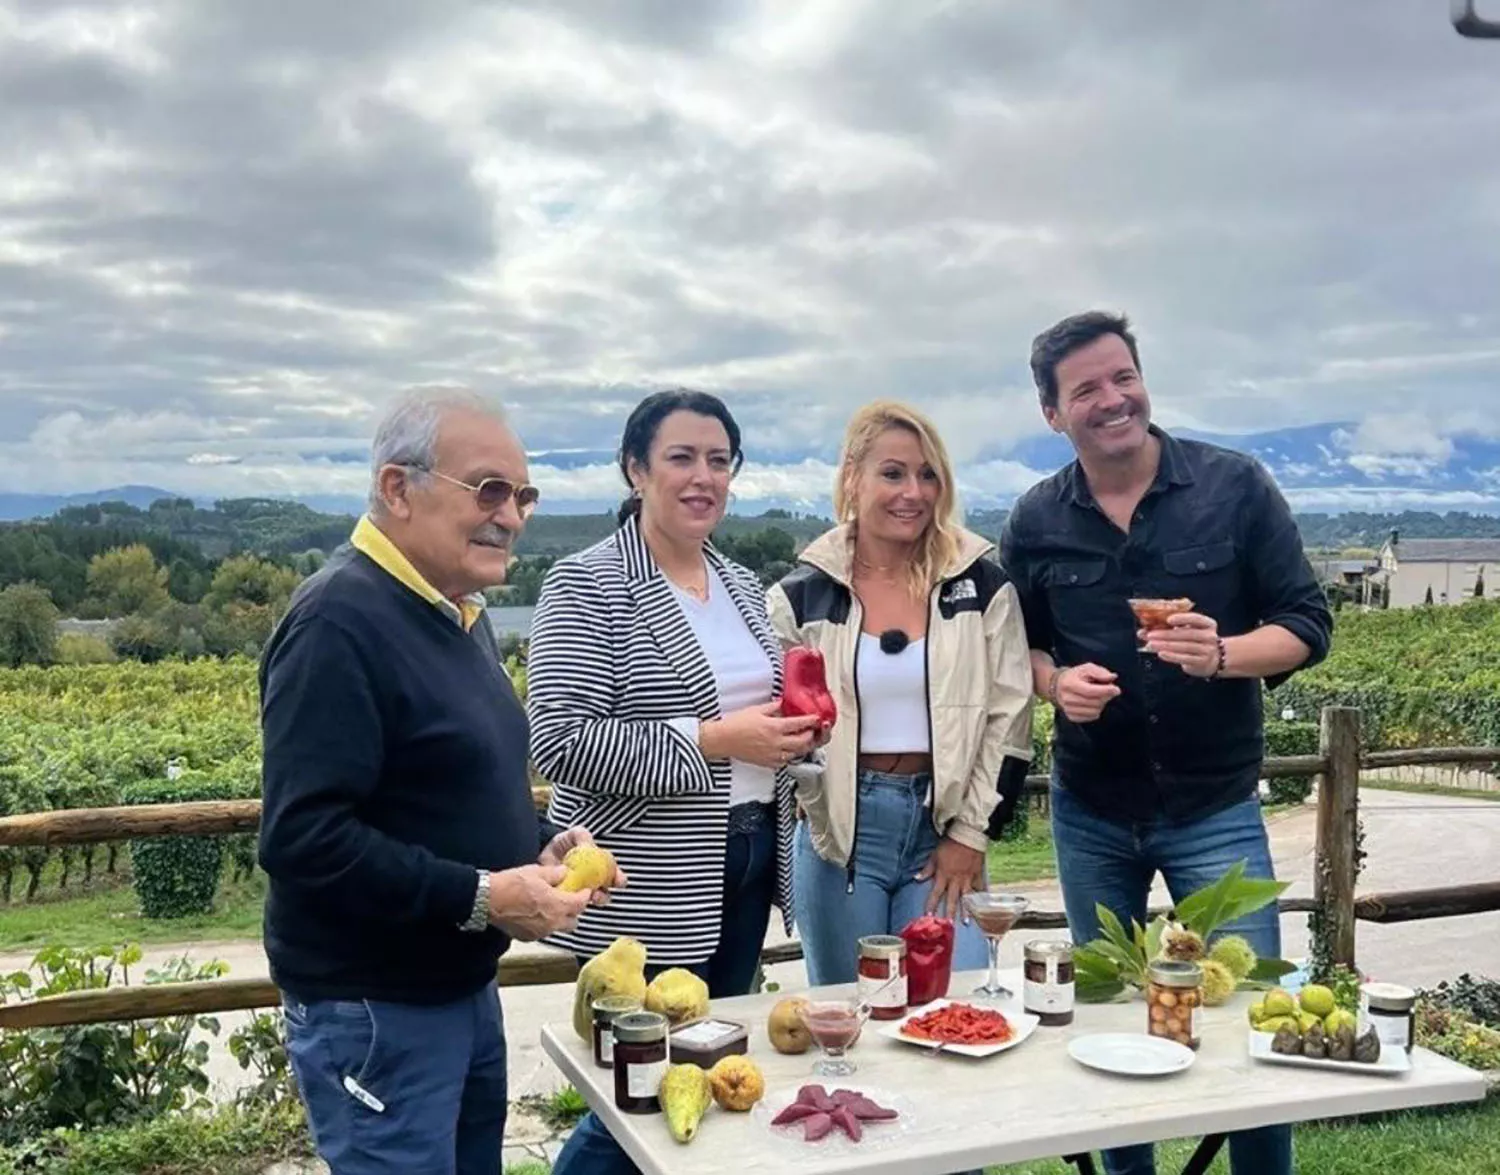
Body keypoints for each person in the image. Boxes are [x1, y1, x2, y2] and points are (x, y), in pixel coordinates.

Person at [1000, 311, 1333, 1175]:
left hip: (1214, 806)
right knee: (1107, 1015)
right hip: (1091, 809)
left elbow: (1306, 622)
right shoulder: (1035, 519)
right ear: (1052, 413)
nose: (1113, 399)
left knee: (1249, 1021)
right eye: (1086, 389)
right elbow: (1021, 647)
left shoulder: (1235, 485)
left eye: (1123, 377)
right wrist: (1054, 683)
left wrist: (1223, 654)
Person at [258, 389, 621, 1175]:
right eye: (489, 489)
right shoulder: (337, 623)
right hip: (377, 1008)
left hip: (454, 989)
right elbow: (302, 838)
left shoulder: (459, 612)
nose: (513, 515)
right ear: (397, 488)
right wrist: (485, 897)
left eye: (524, 495)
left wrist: (537, 842)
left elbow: (446, 786)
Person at [528, 389, 820, 1175]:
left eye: (719, 460)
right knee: (642, 1084)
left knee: (709, 1065)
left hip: (751, 855)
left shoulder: (736, 579)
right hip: (651, 878)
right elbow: (559, 738)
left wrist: (791, 734)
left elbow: (753, 714)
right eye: (681, 458)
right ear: (635, 469)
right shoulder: (586, 582)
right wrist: (715, 738)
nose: (704, 477)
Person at [767, 400, 1035, 989]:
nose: (912, 491)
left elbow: (1010, 721)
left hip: (941, 828)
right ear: (852, 478)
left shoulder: (981, 584)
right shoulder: (801, 596)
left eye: (927, 474)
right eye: (892, 473)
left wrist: (969, 836)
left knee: (951, 1008)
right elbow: (779, 726)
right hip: (839, 838)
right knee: (855, 1009)